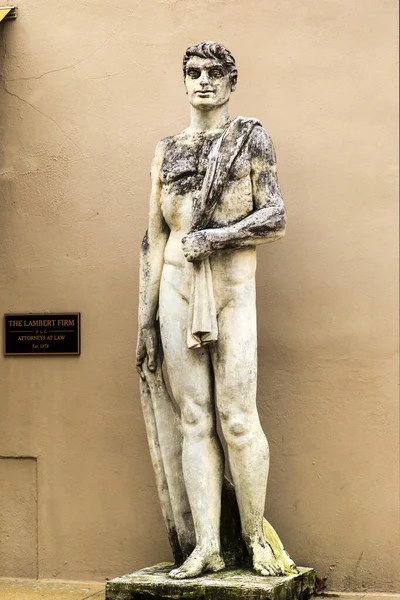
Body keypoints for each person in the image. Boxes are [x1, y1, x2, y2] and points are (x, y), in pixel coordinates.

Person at [136, 41, 287, 580]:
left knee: (239, 418)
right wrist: (144, 323)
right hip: (175, 287)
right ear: (184, 81)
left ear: (230, 82)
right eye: (192, 72)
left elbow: (275, 216)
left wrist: (219, 236)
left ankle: (253, 539)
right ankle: (206, 547)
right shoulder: (167, 149)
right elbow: (154, 239)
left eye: (213, 73)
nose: (202, 81)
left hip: (231, 288)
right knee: (193, 419)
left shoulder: (249, 138)